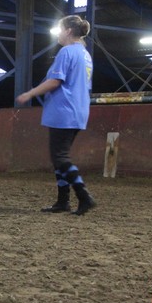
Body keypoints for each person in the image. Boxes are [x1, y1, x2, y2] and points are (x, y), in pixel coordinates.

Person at [15, 15, 96, 216]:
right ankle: (63, 200)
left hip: (64, 110)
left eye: (60, 29)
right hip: (78, 110)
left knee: (60, 156)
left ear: (68, 31)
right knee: (59, 157)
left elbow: (55, 81)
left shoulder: (66, 51)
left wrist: (30, 93)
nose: (58, 34)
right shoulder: (85, 54)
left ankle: (83, 196)